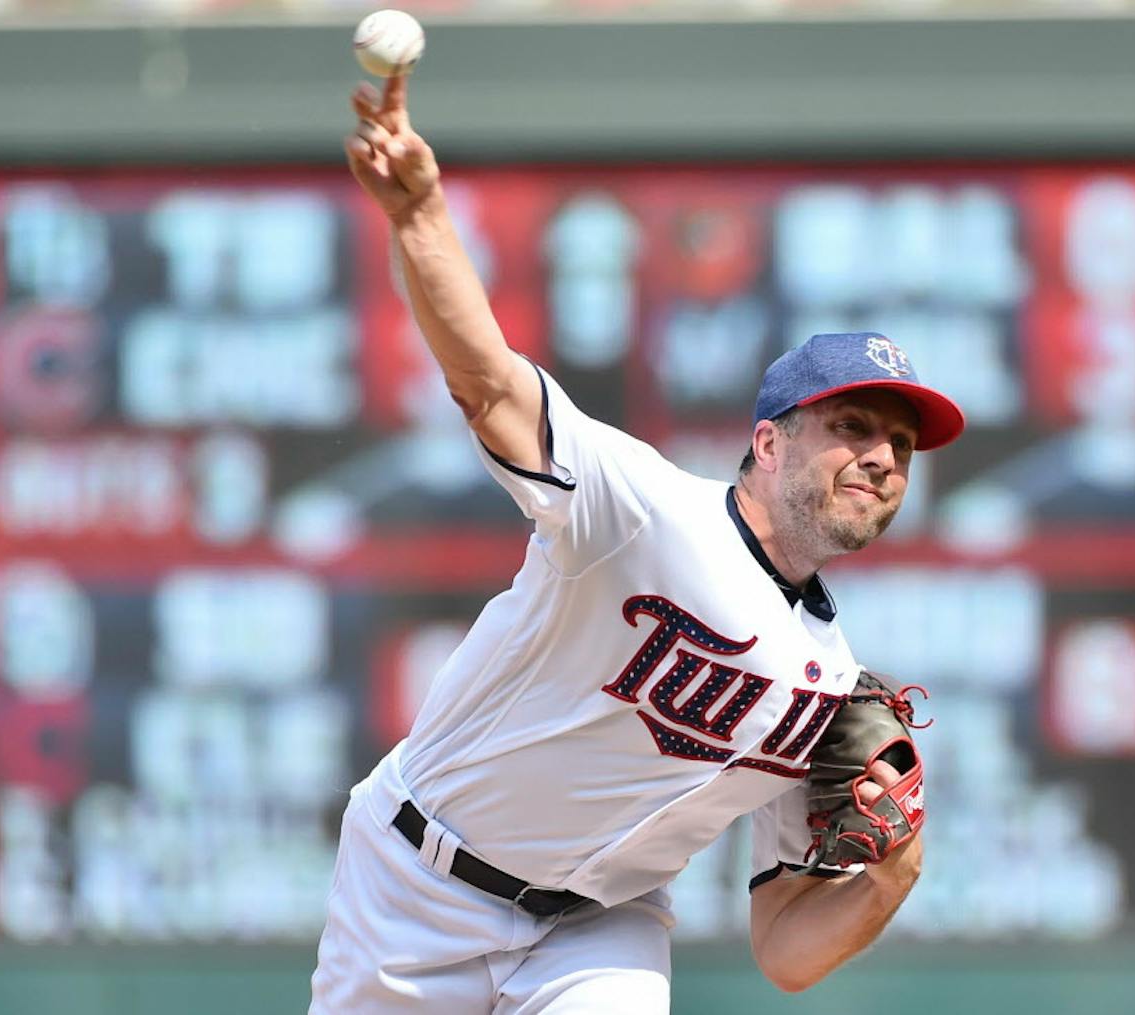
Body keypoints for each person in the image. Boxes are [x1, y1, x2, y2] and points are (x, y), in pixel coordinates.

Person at [310, 75, 965, 1014]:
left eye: (898, 445)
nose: (880, 457)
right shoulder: (643, 508)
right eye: (852, 426)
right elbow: (490, 386)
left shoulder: (828, 688)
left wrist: (894, 875)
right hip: (413, 882)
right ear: (769, 441)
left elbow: (785, 946)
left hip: (598, 928)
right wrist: (418, 213)